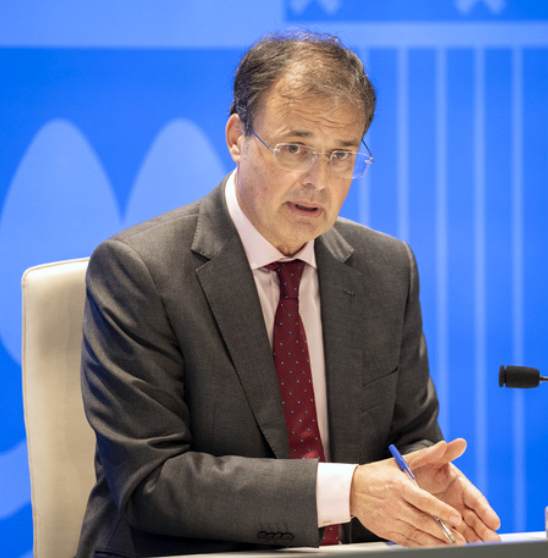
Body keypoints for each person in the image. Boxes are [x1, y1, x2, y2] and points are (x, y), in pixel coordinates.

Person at [75, 30, 501, 557]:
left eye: (341, 155)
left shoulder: (387, 269)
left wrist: (421, 481)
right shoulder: (141, 271)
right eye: (294, 148)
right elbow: (153, 482)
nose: (317, 180)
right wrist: (346, 491)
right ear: (237, 138)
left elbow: (411, 435)